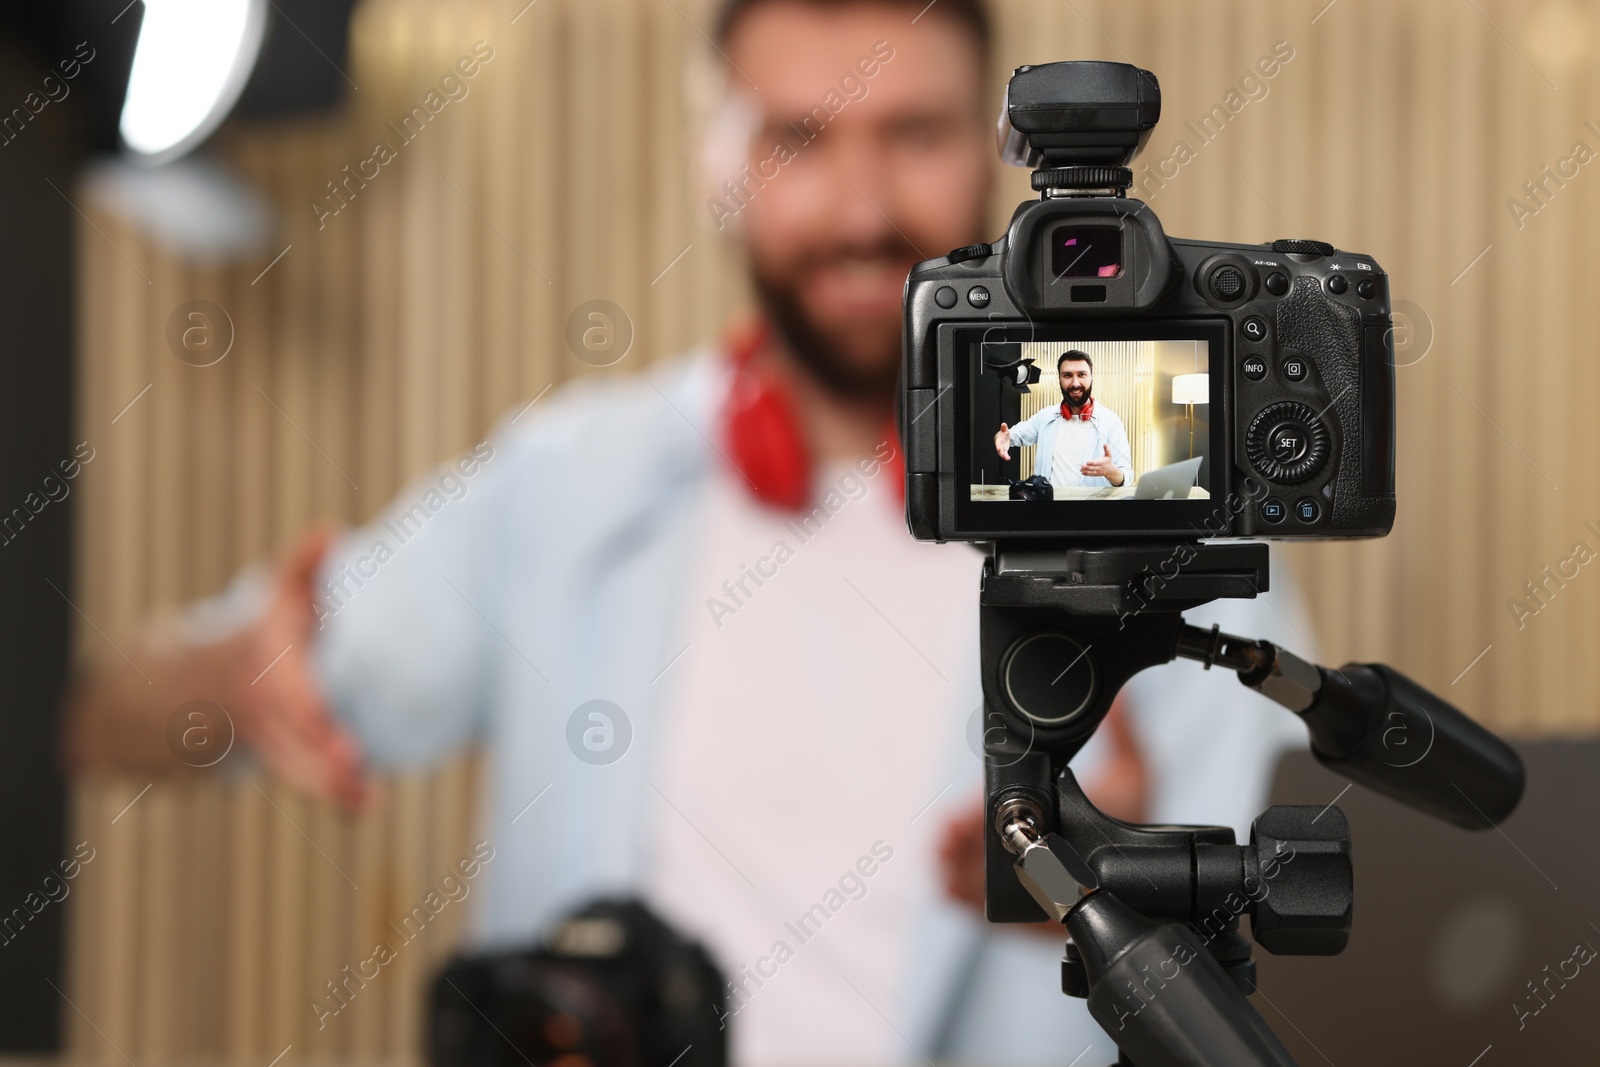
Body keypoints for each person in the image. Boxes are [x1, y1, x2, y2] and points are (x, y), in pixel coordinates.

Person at [64, 0, 1309, 1062]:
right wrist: (230, 678)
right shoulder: (564, 483)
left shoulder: (1161, 513)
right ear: (718, 164)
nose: (863, 207)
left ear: (992, 156)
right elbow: (102, 715)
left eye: (915, 134)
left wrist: (1133, 913)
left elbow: (1298, 964)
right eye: (798, 140)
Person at [994, 349, 1133, 489]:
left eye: (1082, 375)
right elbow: (1010, 436)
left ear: (1091, 378)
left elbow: (1126, 476)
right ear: (1059, 379)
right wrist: (1001, 437)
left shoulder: (1111, 421)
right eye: (1067, 375)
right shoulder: (1045, 416)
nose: (1075, 383)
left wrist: (1111, 473)